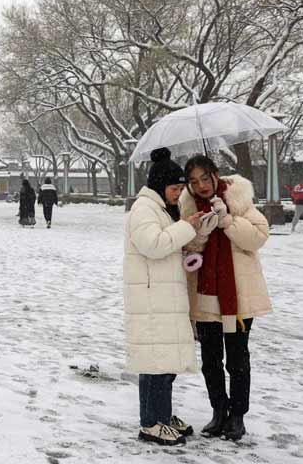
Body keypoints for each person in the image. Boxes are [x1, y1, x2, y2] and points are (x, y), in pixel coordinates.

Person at [181, 154, 272, 441]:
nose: (201, 185)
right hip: (205, 295)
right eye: (194, 181)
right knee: (210, 360)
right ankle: (219, 411)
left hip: (238, 297)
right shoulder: (189, 206)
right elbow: (186, 250)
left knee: (237, 359)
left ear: (216, 174)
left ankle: (237, 416)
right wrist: (201, 235)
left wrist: (228, 220)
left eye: (205, 178)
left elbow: (259, 237)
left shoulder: (238, 197)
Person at [124, 147, 204, 446]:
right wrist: (186, 227)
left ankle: (162, 416)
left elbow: (165, 248)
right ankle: (151, 423)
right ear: (159, 185)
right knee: (157, 364)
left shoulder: (160, 209)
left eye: (181, 189)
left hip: (162, 295)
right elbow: (153, 245)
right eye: (174, 188)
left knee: (163, 362)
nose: (178, 194)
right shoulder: (144, 209)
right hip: (152, 300)